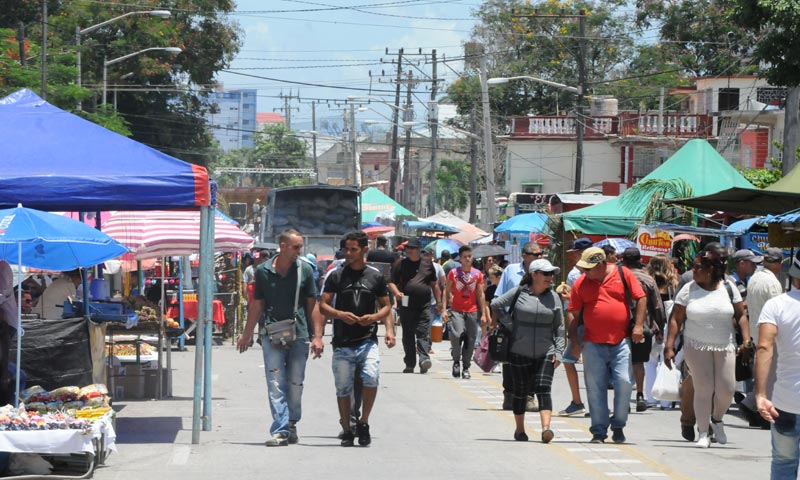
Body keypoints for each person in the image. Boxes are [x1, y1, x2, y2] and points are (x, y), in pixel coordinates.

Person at [236, 229, 320, 447]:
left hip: (299, 334)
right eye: (295, 247)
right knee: (275, 382)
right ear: (282, 246)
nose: (299, 251)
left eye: (300, 247)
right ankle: (281, 429)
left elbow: (313, 305)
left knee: (295, 382)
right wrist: (247, 334)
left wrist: (317, 336)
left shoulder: (305, 271)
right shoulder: (263, 271)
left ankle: (291, 423)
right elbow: (257, 304)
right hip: (271, 334)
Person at [664, 242, 751, 448]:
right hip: (696, 344)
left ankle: (717, 419)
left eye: (697, 267)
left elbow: (741, 316)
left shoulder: (729, 287)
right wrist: (669, 346)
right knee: (704, 389)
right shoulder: (688, 289)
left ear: (712, 270)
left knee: (727, 389)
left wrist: (746, 340)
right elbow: (676, 319)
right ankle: (703, 432)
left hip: (725, 344)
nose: (693, 271)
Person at [316, 230, 395, 447]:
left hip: (367, 340)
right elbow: (322, 305)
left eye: (353, 249)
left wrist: (375, 319)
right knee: (343, 388)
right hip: (342, 343)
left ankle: (364, 422)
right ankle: (347, 429)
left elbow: (387, 306)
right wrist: (339, 315)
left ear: (364, 250)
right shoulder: (336, 276)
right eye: (346, 249)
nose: (348, 253)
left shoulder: (375, 276)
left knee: (371, 377)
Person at [568, 246, 646, 444]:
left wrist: (638, 326)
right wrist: (574, 342)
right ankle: (599, 431)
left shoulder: (623, 273)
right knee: (595, 388)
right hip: (592, 343)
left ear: (602, 264)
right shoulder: (581, 283)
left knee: (624, 382)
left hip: (621, 341)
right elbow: (573, 314)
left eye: (589, 269)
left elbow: (641, 297)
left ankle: (618, 424)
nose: (585, 273)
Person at [491, 259, 565, 443]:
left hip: (546, 350)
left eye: (551, 274)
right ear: (534, 274)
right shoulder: (519, 292)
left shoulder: (554, 298)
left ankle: (546, 429)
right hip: (519, 349)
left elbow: (560, 327)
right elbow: (495, 304)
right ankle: (520, 429)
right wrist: (509, 324)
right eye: (546, 274)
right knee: (521, 391)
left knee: (543, 388)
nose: (550, 277)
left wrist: (559, 350)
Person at [755, 250, 800, 479]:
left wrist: (761, 394)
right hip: (785, 404)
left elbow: (764, 347)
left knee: (783, 462)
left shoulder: (776, 306)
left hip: (786, 402)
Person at [494, 241, 543, 412]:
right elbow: (498, 298)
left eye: (541, 254)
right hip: (512, 324)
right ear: (524, 255)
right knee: (509, 362)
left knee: (532, 362)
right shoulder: (511, 270)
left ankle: (529, 397)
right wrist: (503, 321)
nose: (539, 257)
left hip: (535, 325)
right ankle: (509, 395)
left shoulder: (544, 272)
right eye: (535, 255)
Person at [741, 247, 785, 426]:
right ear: (780, 264)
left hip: (756, 332)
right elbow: (779, 311)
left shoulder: (755, 278)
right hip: (770, 334)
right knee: (772, 376)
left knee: (766, 373)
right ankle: (756, 407)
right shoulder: (772, 283)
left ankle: (751, 403)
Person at [620, 248, 665, 413]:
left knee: (623, 362)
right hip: (644, 327)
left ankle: (624, 398)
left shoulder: (618, 277)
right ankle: (639, 394)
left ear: (623, 260)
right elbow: (657, 306)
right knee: (638, 362)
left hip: (621, 325)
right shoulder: (648, 279)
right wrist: (660, 328)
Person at [388, 239, 440, 374]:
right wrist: (396, 293)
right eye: (407, 248)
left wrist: (439, 303)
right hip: (406, 304)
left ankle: (424, 360)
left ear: (418, 250)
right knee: (408, 334)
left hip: (424, 305)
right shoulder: (400, 264)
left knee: (422, 333)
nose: (408, 250)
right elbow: (391, 282)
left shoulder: (428, 264)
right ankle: (410, 364)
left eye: (411, 248)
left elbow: (434, 284)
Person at [559, 237, 593, 417]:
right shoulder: (599, 272)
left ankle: (578, 402)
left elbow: (571, 308)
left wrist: (572, 334)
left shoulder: (574, 275)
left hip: (581, 325)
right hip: (596, 324)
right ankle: (594, 403)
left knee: (570, 361)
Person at [441, 245, 486, 380]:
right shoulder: (453, 273)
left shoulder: (477, 274)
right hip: (457, 310)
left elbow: (480, 294)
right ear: (460, 258)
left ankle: (466, 367)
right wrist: (444, 310)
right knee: (456, 335)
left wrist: (483, 313)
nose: (468, 259)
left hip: (472, 310)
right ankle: (456, 361)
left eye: (469, 256)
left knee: (470, 340)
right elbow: (446, 291)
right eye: (465, 256)